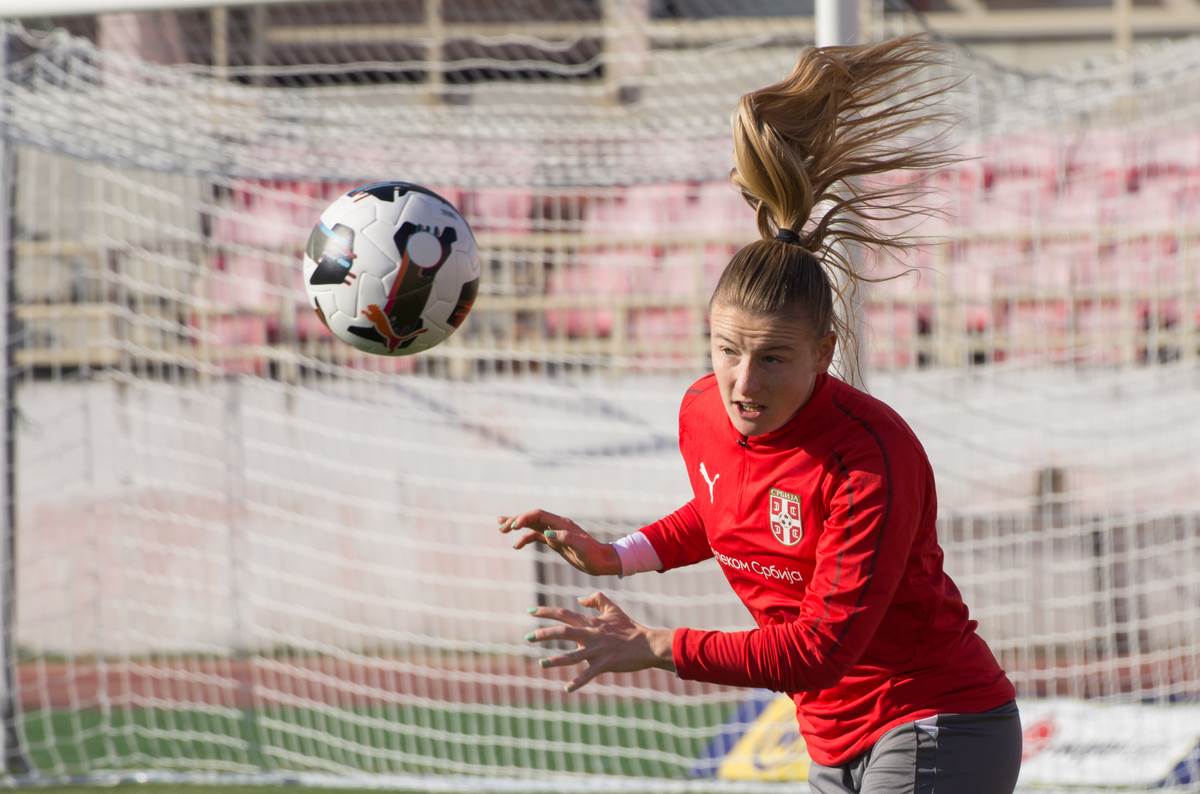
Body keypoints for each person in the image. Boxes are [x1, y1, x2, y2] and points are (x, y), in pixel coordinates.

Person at [497, 35, 1021, 794]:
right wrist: (618, 555)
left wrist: (655, 644)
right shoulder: (703, 410)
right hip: (832, 740)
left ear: (824, 350)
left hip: (936, 721)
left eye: (772, 358)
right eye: (726, 350)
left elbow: (816, 653)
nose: (743, 382)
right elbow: (722, 509)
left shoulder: (871, 456)